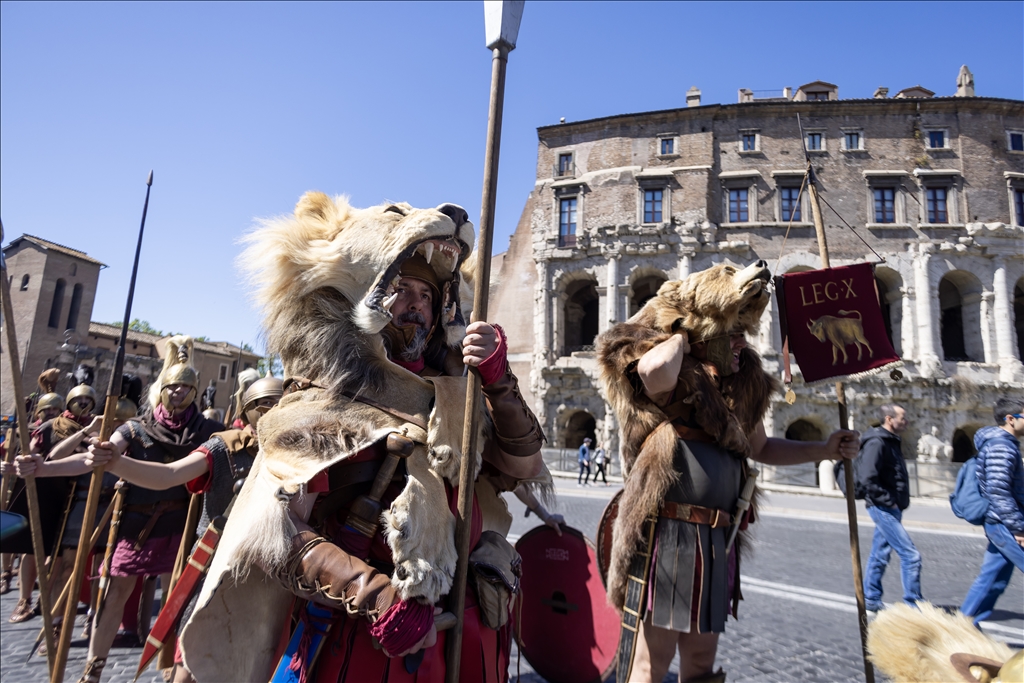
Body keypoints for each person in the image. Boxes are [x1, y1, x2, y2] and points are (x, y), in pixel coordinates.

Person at [25, 337, 222, 683]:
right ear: (162, 390)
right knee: (115, 594)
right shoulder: (134, 429)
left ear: (194, 392)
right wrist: (42, 468)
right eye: (172, 387)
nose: (177, 393)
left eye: (185, 388)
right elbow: (92, 461)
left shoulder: (209, 432)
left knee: (176, 600)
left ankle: (170, 666)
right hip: (135, 525)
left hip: (182, 526)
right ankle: (93, 668)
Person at [960, 398, 1024, 627]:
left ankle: (963, 626)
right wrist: (1018, 527)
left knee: (993, 579)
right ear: (1011, 419)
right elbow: (998, 491)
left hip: (1002, 522)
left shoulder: (1004, 444)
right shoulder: (1001, 447)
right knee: (991, 579)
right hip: (1004, 523)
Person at [860, 404, 923, 613]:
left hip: (891, 507)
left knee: (880, 554)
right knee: (911, 555)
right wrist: (888, 501)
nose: (906, 422)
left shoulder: (890, 441)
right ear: (889, 419)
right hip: (882, 507)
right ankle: (913, 605)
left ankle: (871, 598)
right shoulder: (877, 442)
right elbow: (867, 476)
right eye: (902, 418)